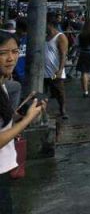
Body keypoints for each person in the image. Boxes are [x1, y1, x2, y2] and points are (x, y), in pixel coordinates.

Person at [0, 30, 47, 213]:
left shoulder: (3, 84)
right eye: (3, 53)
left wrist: (22, 113)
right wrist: (26, 120)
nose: (11, 58)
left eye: (15, 52)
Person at [44, 15, 69, 119]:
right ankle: (43, 112)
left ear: (50, 24)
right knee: (43, 92)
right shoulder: (44, 36)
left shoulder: (60, 37)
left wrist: (60, 69)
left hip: (55, 71)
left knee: (59, 91)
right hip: (44, 70)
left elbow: (63, 54)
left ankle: (63, 110)